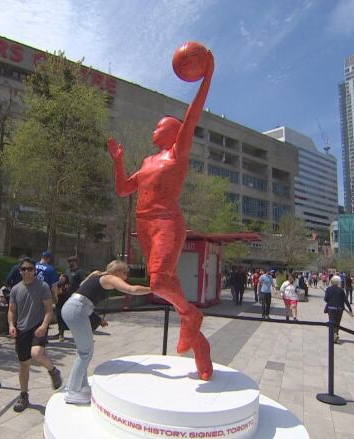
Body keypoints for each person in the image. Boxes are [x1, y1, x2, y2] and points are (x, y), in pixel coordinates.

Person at [107, 48, 215, 380]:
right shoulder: (147, 163)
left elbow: (194, 113)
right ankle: (200, 346)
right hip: (145, 225)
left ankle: (189, 314)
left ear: (172, 133)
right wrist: (119, 161)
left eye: (158, 128)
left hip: (167, 221)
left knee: (157, 281)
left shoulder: (177, 154)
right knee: (164, 283)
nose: (153, 131)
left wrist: (207, 75)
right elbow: (124, 189)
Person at [62, 260, 152, 404]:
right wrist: (153, 288)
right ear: (116, 272)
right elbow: (131, 290)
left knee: (83, 351)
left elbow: (82, 287)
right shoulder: (110, 278)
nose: (126, 275)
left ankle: (81, 385)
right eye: (124, 272)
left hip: (74, 308)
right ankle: (72, 391)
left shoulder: (97, 275)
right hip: (78, 309)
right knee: (85, 352)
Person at [8, 257, 62, 412]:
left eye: (30, 269)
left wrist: (45, 325)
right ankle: (23, 395)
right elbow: (11, 310)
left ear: (35, 271)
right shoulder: (16, 289)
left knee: (37, 352)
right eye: (24, 269)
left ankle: (52, 370)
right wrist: (11, 325)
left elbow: (48, 309)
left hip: (37, 327)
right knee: (24, 364)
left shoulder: (43, 287)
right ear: (20, 271)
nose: (27, 272)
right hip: (21, 329)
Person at [58, 255, 85, 342]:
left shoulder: (80, 271)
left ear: (75, 262)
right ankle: (61, 333)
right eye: (68, 262)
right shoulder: (67, 271)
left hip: (74, 297)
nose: (69, 263)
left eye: (71, 262)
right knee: (61, 314)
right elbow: (64, 281)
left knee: (74, 316)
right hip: (64, 296)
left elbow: (83, 283)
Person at [324, 275, 353, 343]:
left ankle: (333, 335)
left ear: (331, 282)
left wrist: (331, 300)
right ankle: (336, 334)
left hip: (331, 308)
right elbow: (346, 300)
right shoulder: (341, 290)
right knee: (337, 322)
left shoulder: (328, 289)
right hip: (340, 308)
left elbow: (326, 299)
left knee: (331, 322)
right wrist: (350, 310)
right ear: (338, 283)